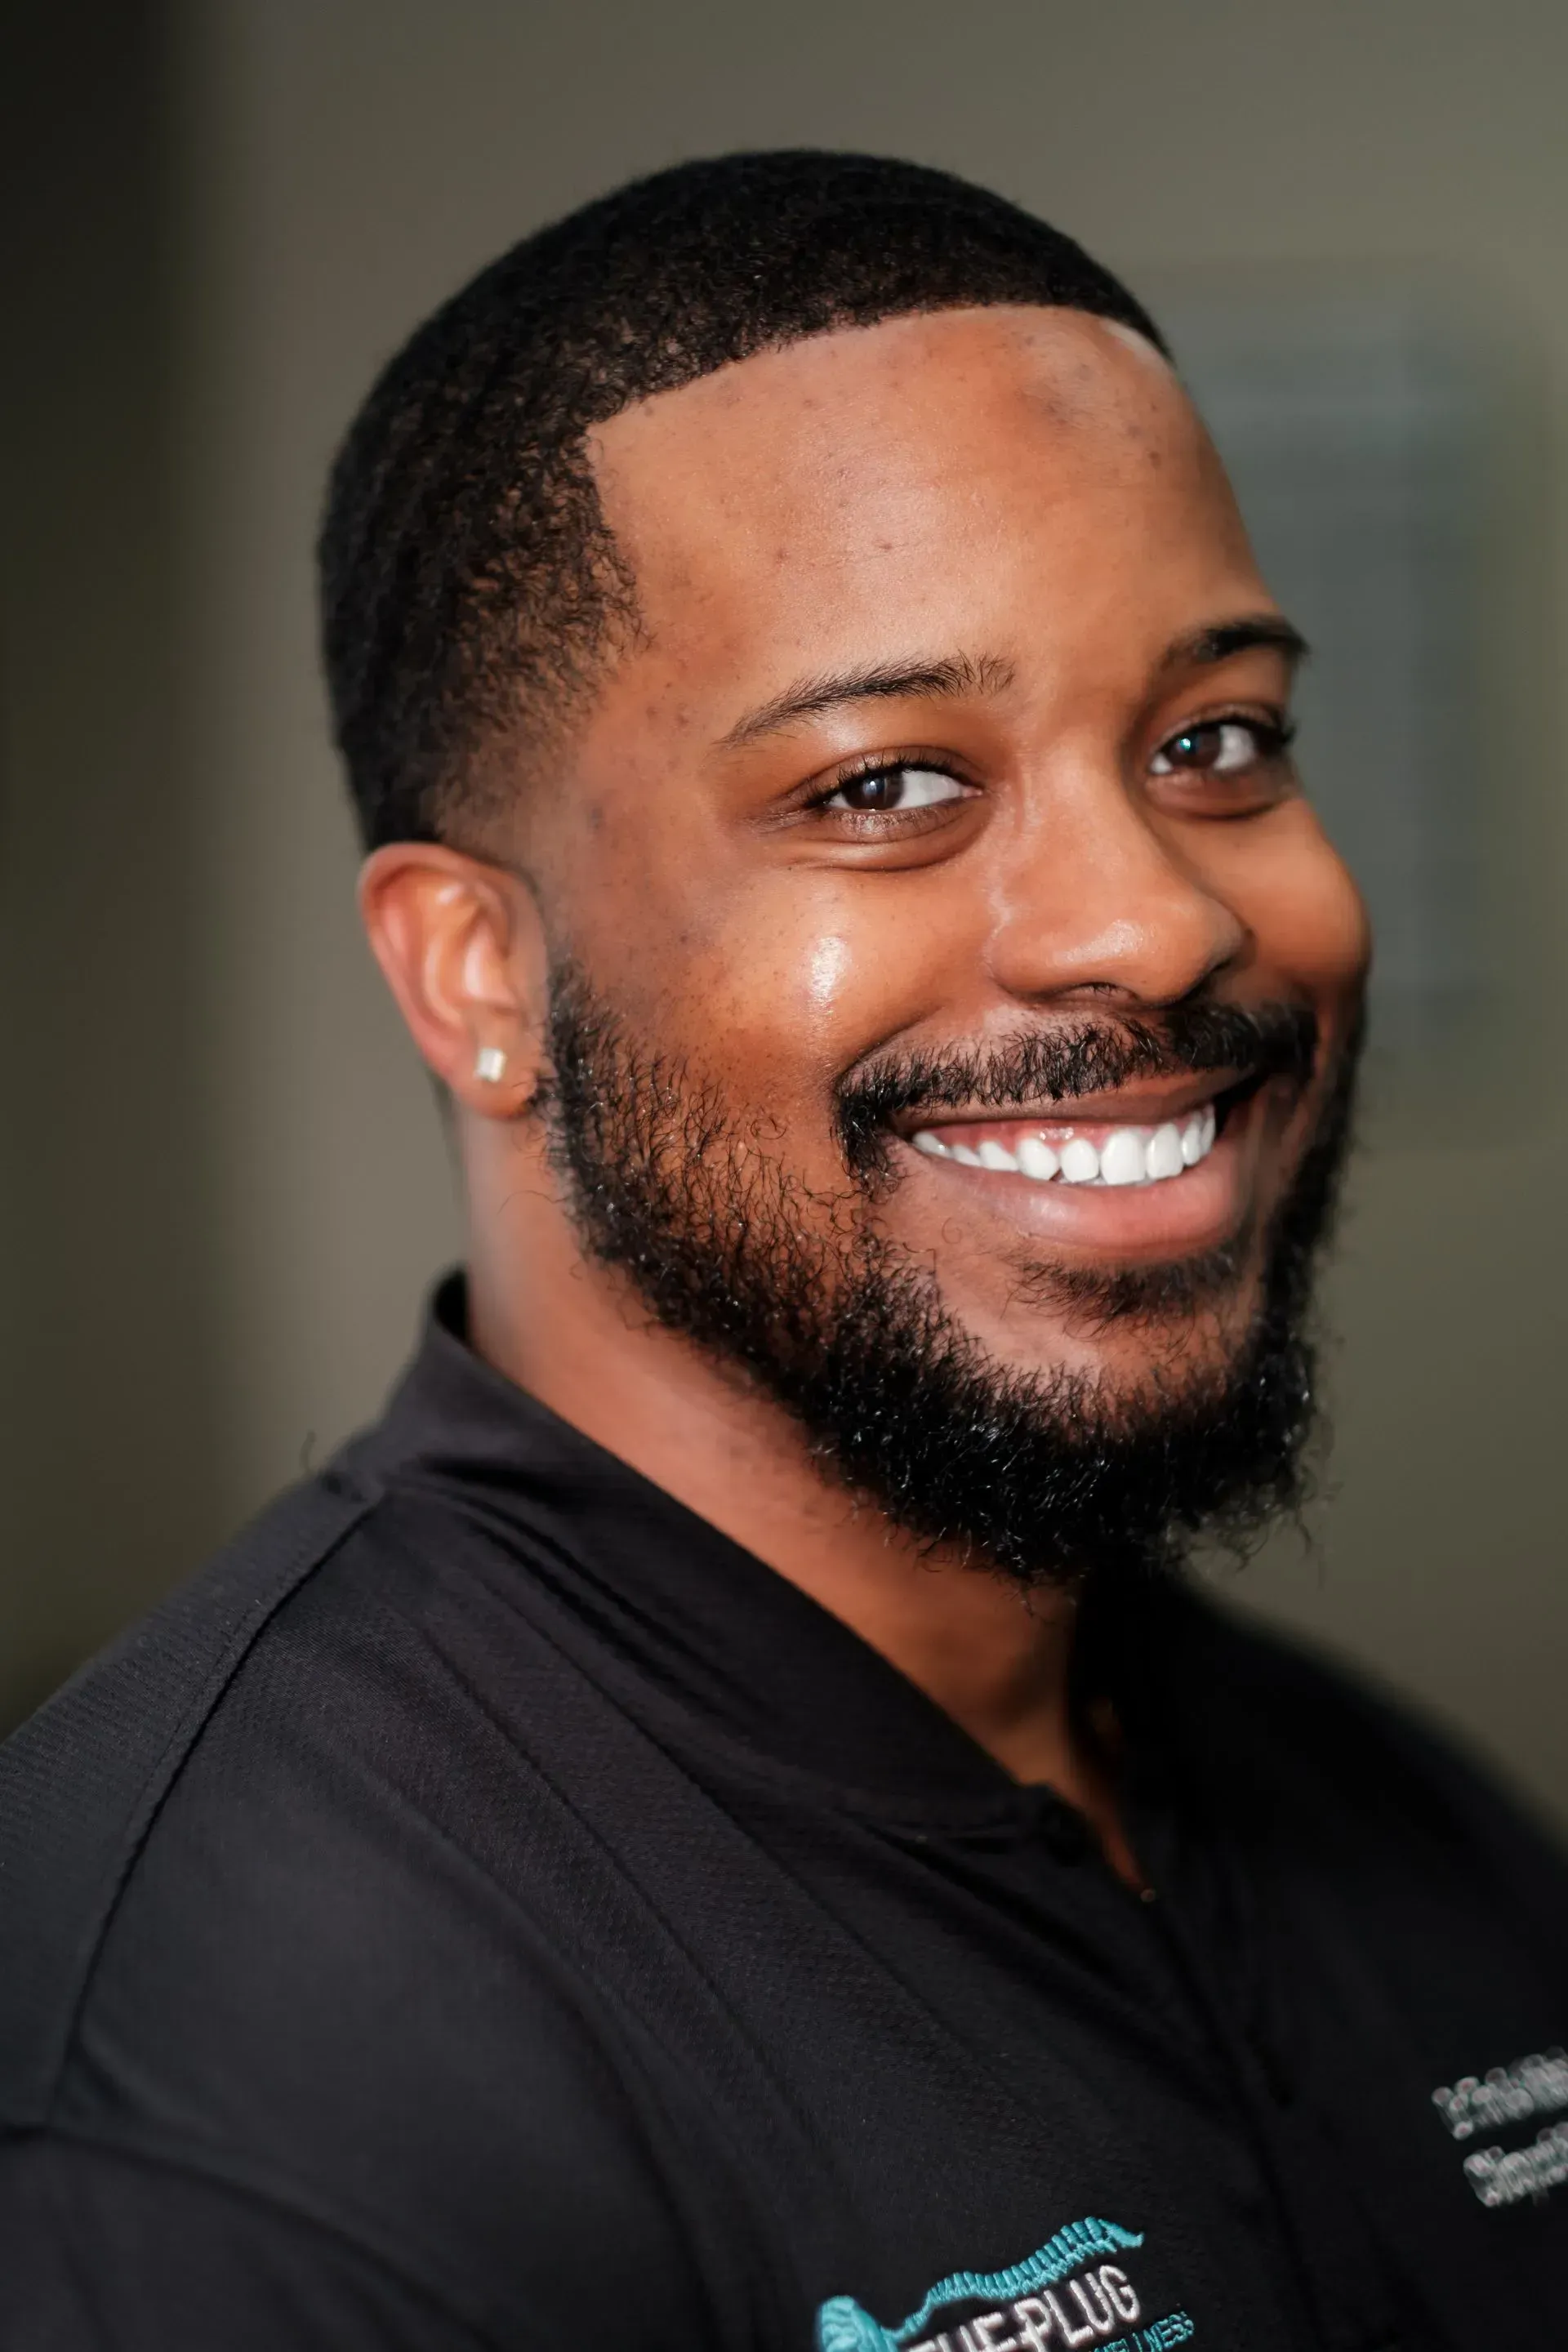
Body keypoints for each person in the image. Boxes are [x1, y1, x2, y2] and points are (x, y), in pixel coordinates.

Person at [1, 149, 1564, 2352]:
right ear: (473, 976)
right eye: (880, 786)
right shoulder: (210, 2091)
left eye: (1215, 742)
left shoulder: (1415, 1839)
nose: (1161, 920)